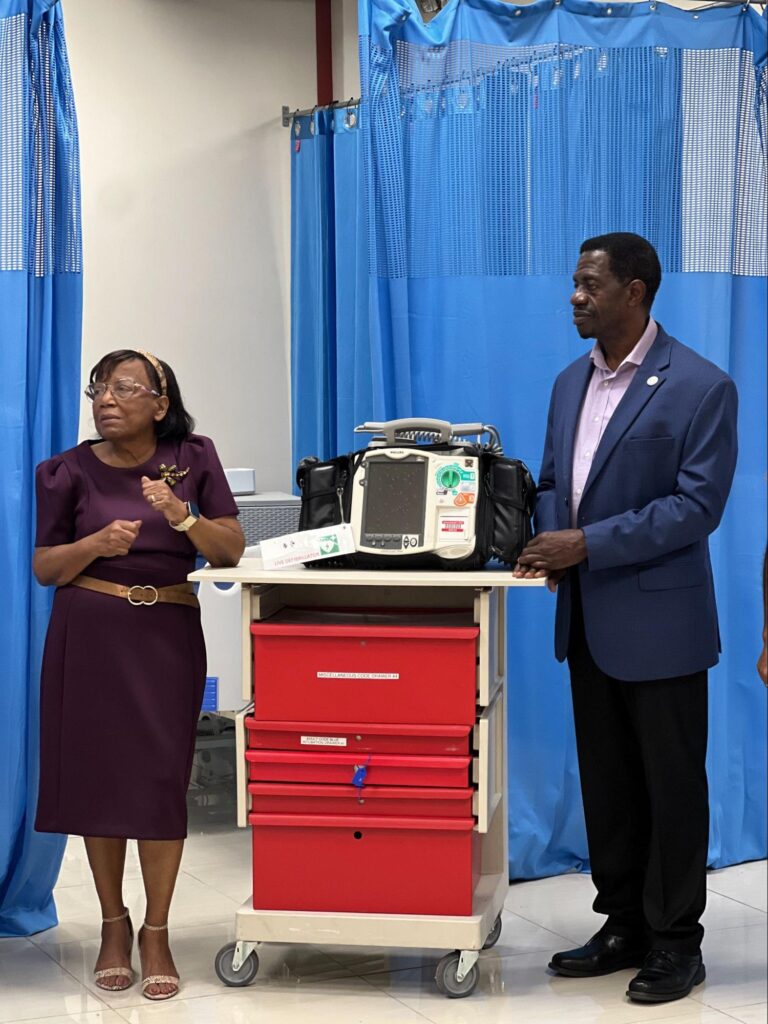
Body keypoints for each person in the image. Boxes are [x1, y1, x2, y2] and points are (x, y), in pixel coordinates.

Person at [514, 233, 738, 1004]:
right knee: (609, 785)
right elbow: (550, 482)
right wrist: (545, 540)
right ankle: (623, 926)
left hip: (661, 625)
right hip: (585, 621)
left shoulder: (701, 386)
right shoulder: (566, 383)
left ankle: (677, 942)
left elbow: (696, 507)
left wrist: (585, 544)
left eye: (589, 284)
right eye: (574, 282)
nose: (574, 296)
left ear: (635, 291)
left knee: (671, 787)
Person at [33, 350, 245, 1001]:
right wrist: (93, 545)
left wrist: (181, 516)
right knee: (99, 783)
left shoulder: (194, 457)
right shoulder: (66, 470)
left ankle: (157, 930)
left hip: (166, 637)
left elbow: (230, 553)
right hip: (88, 634)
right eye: (100, 388)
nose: (106, 400)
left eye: (125, 388)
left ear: (160, 402)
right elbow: (45, 567)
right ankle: (113, 927)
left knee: (158, 783)